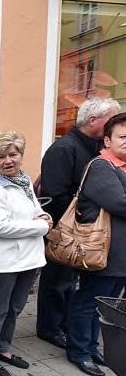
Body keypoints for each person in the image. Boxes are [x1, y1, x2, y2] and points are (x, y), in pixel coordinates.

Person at [37, 98, 121, 348]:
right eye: (111, 120)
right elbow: (54, 194)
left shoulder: (94, 147)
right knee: (57, 281)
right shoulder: (64, 148)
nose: (116, 126)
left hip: (84, 230)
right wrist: (82, 219)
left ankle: (66, 324)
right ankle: (50, 328)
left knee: (71, 282)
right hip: (67, 229)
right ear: (93, 121)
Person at [0, 131, 51, 376]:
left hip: (30, 257)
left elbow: (35, 208)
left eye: (13, 154)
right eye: (1, 157)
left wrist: (45, 216)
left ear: (20, 155)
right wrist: (41, 227)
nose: (8, 161)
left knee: (15, 307)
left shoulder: (23, 179)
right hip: (4, 260)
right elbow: (1, 227)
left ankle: (3, 348)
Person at [68, 113, 126, 376]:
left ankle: (91, 347)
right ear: (107, 140)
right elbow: (119, 203)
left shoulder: (121, 168)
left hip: (119, 254)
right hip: (102, 251)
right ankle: (79, 350)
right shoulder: (102, 166)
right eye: (122, 137)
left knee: (106, 304)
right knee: (90, 302)